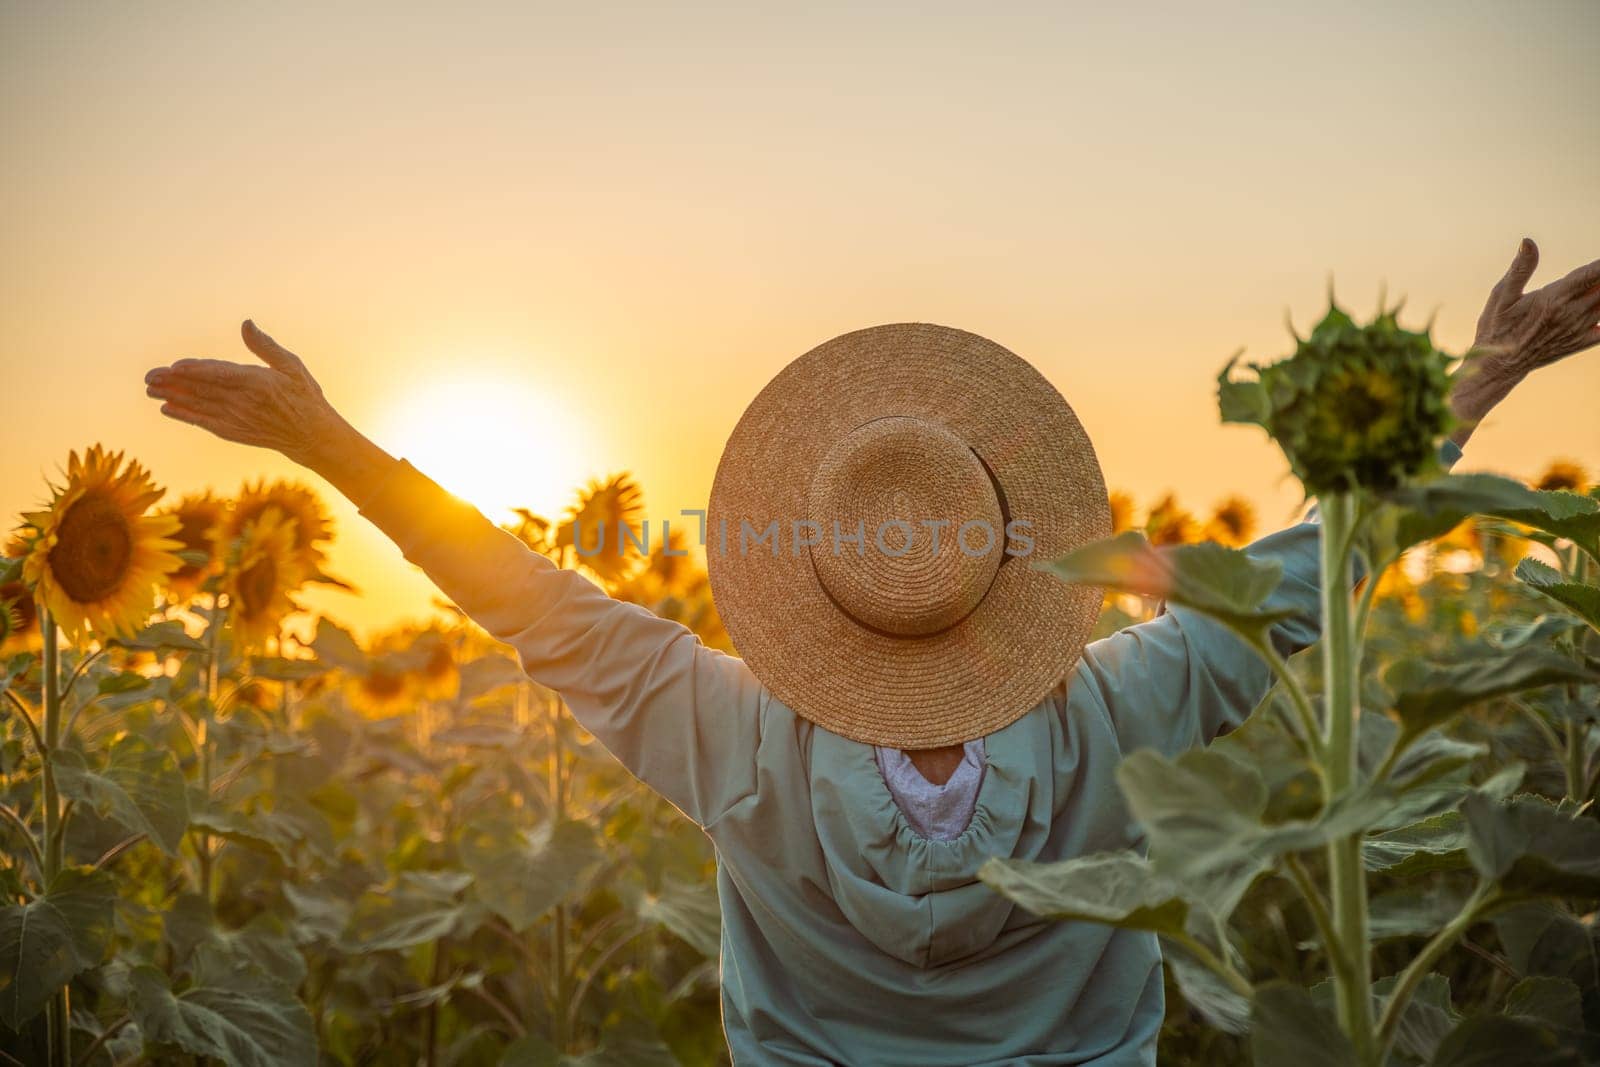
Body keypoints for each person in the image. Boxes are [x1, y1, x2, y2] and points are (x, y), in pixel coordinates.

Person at [143, 239, 1599, 1066]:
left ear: (810, 583)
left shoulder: (733, 734)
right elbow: (1310, 565)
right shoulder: (1122, 712)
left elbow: (522, 597)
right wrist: (1482, 377)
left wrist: (332, 447)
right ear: (1015, 559)